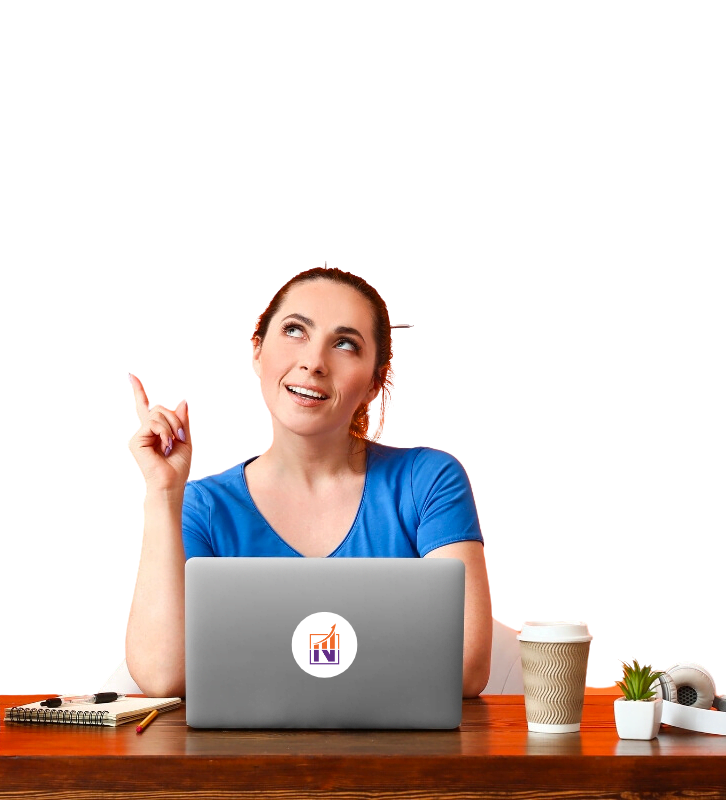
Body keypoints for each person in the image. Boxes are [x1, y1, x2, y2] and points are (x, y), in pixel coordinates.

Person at [123, 264, 492, 698]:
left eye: (344, 344)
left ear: (374, 385)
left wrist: (243, 662)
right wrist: (163, 494)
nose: (314, 362)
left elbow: (464, 665)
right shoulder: (201, 506)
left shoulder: (428, 481)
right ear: (257, 353)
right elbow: (166, 676)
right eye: (295, 331)